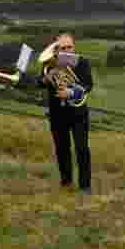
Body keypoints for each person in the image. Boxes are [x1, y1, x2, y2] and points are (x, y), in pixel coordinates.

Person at [43, 32, 95, 194]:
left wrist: (71, 93)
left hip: (78, 113)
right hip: (57, 113)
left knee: (82, 148)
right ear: (56, 49)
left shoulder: (82, 62)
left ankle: (85, 186)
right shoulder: (50, 64)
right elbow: (39, 81)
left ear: (74, 47)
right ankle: (66, 182)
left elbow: (88, 85)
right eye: (62, 48)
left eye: (69, 47)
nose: (66, 51)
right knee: (61, 148)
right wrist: (46, 79)